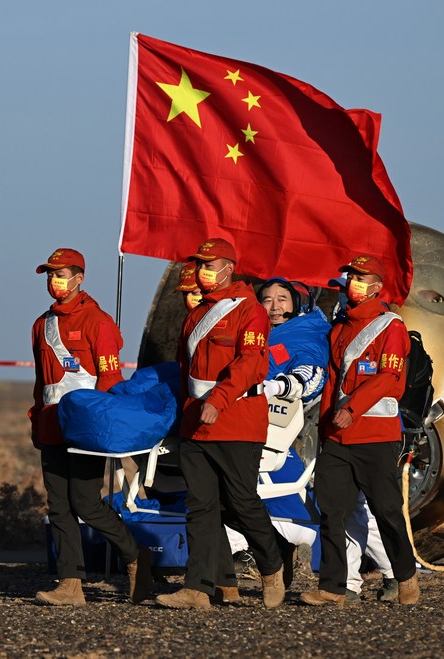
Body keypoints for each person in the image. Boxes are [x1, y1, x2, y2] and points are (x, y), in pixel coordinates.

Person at [156, 238, 286, 610]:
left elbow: (251, 364)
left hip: (237, 421)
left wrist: (218, 399)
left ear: (229, 268)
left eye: (209, 265)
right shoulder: (195, 315)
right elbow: (187, 372)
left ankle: (271, 565)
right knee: (200, 506)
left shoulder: (250, 311)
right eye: (199, 266)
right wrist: (183, 417)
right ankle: (197, 589)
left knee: (242, 502)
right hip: (196, 425)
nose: (202, 272)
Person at [29, 247, 153, 606]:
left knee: (85, 502)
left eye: (62, 274)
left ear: (79, 278)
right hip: (52, 425)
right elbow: (42, 382)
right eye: (50, 274)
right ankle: (70, 584)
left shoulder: (98, 322)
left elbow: (110, 380)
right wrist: (36, 418)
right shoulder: (41, 324)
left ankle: (134, 555)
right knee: (58, 506)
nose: (55, 281)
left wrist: (101, 429)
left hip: (85, 429)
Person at [300, 255, 420, 606]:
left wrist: (352, 410)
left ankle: (406, 576)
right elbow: (331, 385)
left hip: (376, 438)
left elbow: (389, 379)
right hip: (337, 438)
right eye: (351, 275)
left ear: (378, 286)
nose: (354, 281)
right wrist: (325, 429)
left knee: (385, 510)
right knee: (331, 510)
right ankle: (333, 587)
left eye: (361, 276)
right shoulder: (339, 329)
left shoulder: (391, 328)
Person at [225, 277, 331, 589]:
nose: (274, 306)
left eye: (282, 298)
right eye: (267, 299)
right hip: (241, 417)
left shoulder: (305, 333)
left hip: (271, 428)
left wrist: (279, 386)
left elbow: (310, 375)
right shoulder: (252, 330)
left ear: (298, 302)